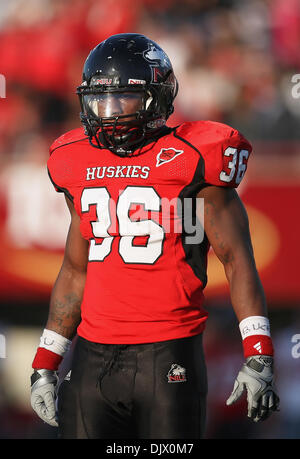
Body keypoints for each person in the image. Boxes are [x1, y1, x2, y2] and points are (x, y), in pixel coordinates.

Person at [30, 33, 279, 439]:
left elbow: (237, 261)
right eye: (99, 99)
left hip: (168, 355)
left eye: (122, 99)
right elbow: (76, 269)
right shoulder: (72, 160)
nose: (108, 113)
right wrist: (46, 359)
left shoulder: (196, 155)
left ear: (157, 97)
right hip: (91, 358)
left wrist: (258, 353)